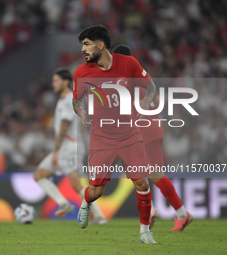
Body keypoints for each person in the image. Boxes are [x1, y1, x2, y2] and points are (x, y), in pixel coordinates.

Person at [72, 25, 156, 244]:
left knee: (142, 184)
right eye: (83, 44)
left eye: (87, 44)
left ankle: (145, 233)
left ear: (100, 45)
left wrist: (145, 103)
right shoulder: (81, 72)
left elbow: (151, 87)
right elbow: (76, 100)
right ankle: (86, 202)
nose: (83, 49)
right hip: (100, 138)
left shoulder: (128, 63)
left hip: (129, 134)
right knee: (96, 191)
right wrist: (81, 112)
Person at [112, 44, 193, 231]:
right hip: (153, 129)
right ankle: (176, 213)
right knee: (141, 173)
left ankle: (173, 213)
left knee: (148, 174)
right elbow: (156, 102)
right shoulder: (141, 75)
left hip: (141, 132)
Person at [34, 68, 107, 224]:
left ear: (66, 82)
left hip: (68, 148)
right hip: (68, 146)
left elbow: (64, 125)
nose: (53, 84)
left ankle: (100, 216)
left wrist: (56, 149)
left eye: (56, 81)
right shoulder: (65, 100)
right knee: (39, 175)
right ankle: (64, 203)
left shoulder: (68, 99)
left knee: (76, 184)